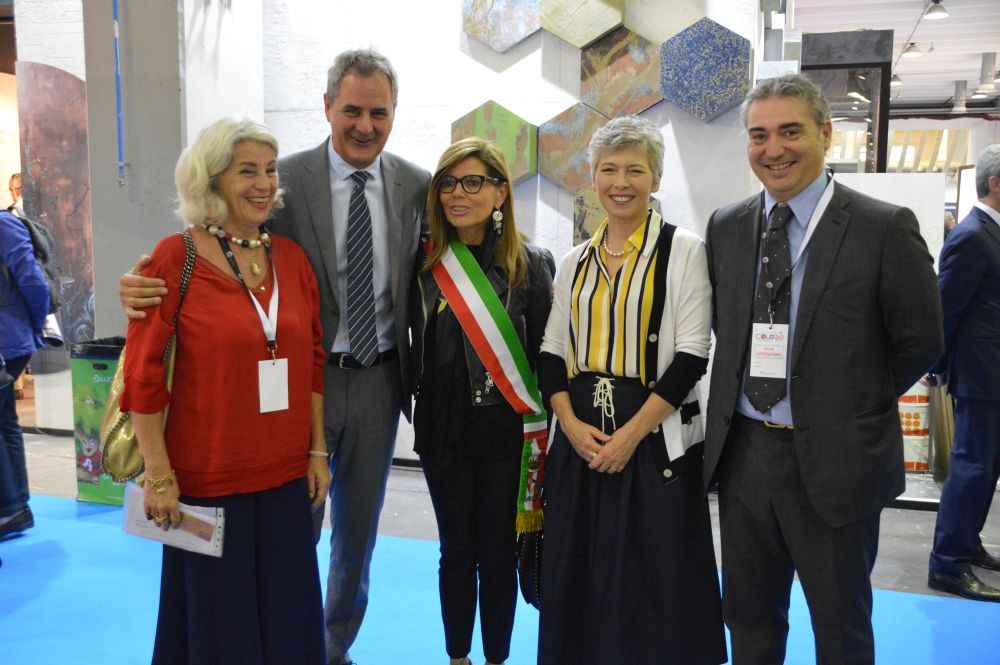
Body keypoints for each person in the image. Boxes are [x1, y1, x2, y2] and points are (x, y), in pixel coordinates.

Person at [119, 49, 430, 665]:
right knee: (292, 538)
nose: (364, 125)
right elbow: (205, 248)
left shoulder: (416, 185)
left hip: (378, 379)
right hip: (289, 393)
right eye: (351, 110)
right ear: (327, 107)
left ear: (394, 113)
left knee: (357, 539)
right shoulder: (283, 181)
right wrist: (136, 286)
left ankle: (330, 648)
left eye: (379, 113)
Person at [702, 73, 944, 665]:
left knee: (841, 628)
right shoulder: (727, 226)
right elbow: (727, 333)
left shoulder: (882, 226)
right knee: (749, 620)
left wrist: (845, 403)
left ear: (826, 134)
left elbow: (921, 341)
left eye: (790, 131)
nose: (773, 149)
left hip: (838, 462)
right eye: (759, 135)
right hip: (745, 457)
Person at [120, 117, 330, 664]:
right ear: (211, 179)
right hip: (207, 480)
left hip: (284, 478)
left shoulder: (291, 259)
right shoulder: (175, 258)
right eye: (246, 172)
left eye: (270, 170)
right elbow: (144, 375)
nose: (264, 184)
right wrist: (159, 474)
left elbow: (312, 363)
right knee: (219, 631)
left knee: (288, 624)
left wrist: (316, 452)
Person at [537, 115, 725, 665]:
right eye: (609, 169)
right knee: (578, 569)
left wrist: (630, 437)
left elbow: (692, 355)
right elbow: (551, 352)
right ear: (593, 177)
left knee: (654, 578)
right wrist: (570, 426)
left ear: (656, 178)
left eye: (636, 170)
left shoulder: (684, 250)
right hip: (581, 440)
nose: (622, 182)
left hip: (654, 437)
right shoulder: (573, 261)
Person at [412, 137, 553, 665]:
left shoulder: (530, 264)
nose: (458, 194)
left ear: (500, 192)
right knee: (455, 551)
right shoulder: (424, 264)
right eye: (448, 183)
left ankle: (496, 658)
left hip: (505, 433)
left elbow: (546, 356)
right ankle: (457, 657)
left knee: (497, 552)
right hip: (442, 431)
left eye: (472, 182)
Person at [927, 144, 1000, 602]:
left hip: (992, 375)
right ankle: (947, 564)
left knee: (985, 469)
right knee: (971, 468)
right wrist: (935, 368)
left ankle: (966, 543)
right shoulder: (971, 236)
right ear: (996, 184)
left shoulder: (990, 233)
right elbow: (944, 310)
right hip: (980, 376)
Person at [0, 206, 50, 540]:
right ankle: (15, 507)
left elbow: (33, 280)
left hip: (9, 339)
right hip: (12, 336)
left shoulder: (4, 224)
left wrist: (37, 321)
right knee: (5, 422)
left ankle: (10, 509)